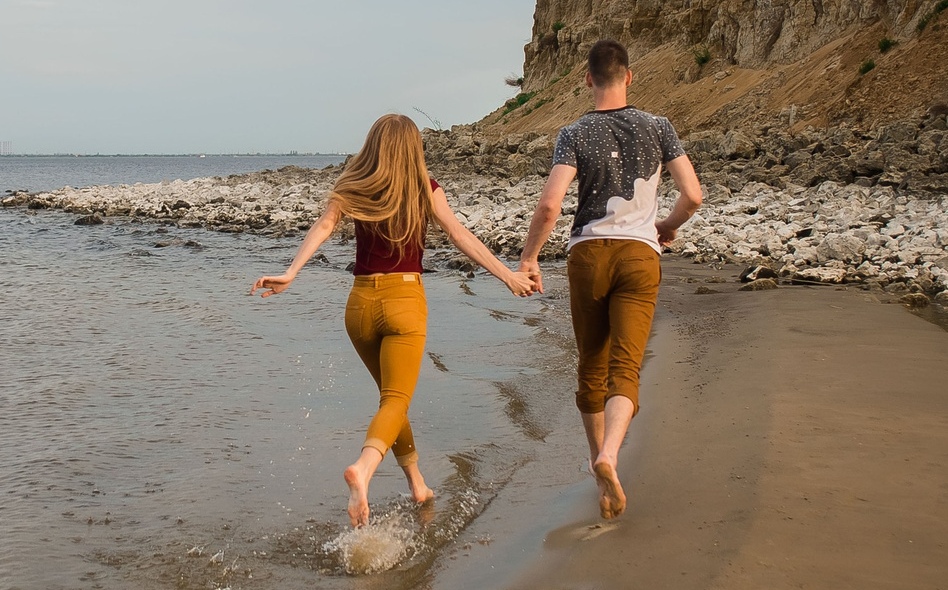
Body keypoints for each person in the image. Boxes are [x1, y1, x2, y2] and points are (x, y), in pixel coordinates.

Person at [254, 114, 533, 527]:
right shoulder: (425, 187)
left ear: (373, 145)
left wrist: (291, 272)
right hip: (404, 301)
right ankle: (364, 469)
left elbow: (325, 225)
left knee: (391, 398)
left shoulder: (353, 185)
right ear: (413, 150)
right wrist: (507, 274)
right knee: (395, 400)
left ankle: (417, 482)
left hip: (360, 307)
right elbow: (458, 234)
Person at [518, 40, 705, 519]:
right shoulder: (658, 127)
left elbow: (550, 205)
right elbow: (693, 195)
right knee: (627, 364)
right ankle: (610, 457)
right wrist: (666, 227)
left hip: (587, 257)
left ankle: (596, 463)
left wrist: (529, 257)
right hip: (640, 258)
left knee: (590, 363)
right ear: (630, 76)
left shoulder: (574, 132)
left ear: (587, 80)